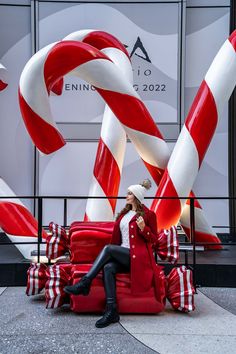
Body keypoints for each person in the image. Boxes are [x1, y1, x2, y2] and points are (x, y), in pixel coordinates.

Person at [64, 179, 159, 328]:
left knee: (108, 249)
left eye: (129, 193)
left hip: (138, 259)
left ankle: (85, 282)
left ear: (137, 196)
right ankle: (112, 310)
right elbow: (118, 239)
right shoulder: (124, 214)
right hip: (124, 255)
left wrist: (143, 228)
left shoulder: (149, 215)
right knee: (108, 268)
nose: (126, 196)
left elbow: (154, 240)